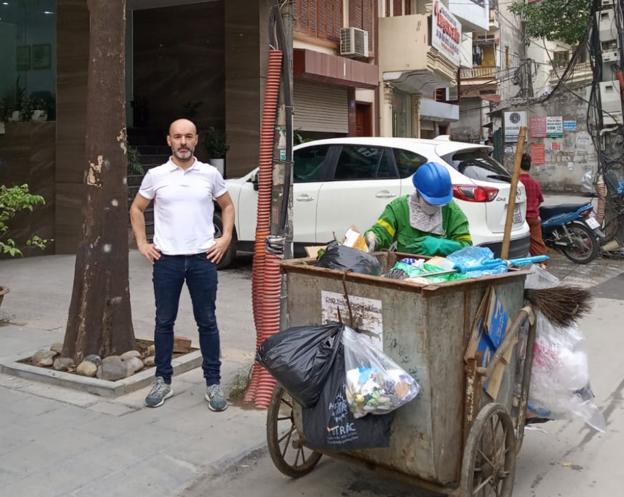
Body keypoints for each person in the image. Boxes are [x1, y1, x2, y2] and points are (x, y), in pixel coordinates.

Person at [130, 118, 235, 410]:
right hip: (167, 261)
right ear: (169, 141)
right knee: (164, 322)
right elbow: (137, 208)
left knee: (208, 322)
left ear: (196, 140)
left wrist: (225, 237)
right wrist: (142, 243)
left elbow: (227, 205)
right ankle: (163, 381)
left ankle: (213, 383)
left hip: (203, 259)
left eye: (188, 136)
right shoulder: (156, 175)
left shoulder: (210, 174)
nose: (183, 142)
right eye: (178, 137)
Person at [364, 162, 472, 256]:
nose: (434, 206)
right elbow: (382, 231)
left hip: (441, 272)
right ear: (418, 192)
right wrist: (373, 237)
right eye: (430, 202)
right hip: (405, 270)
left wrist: (441, 245)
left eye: (438, 203)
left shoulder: (452, 211)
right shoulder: (399, 208)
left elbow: (466, 246)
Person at [518, 153, 547, 257]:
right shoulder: (534, 183)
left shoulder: (516, 183)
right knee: (538, 244)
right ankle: (542, 263)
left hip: (520, 220)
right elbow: (540, 200)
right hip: (533, 217)